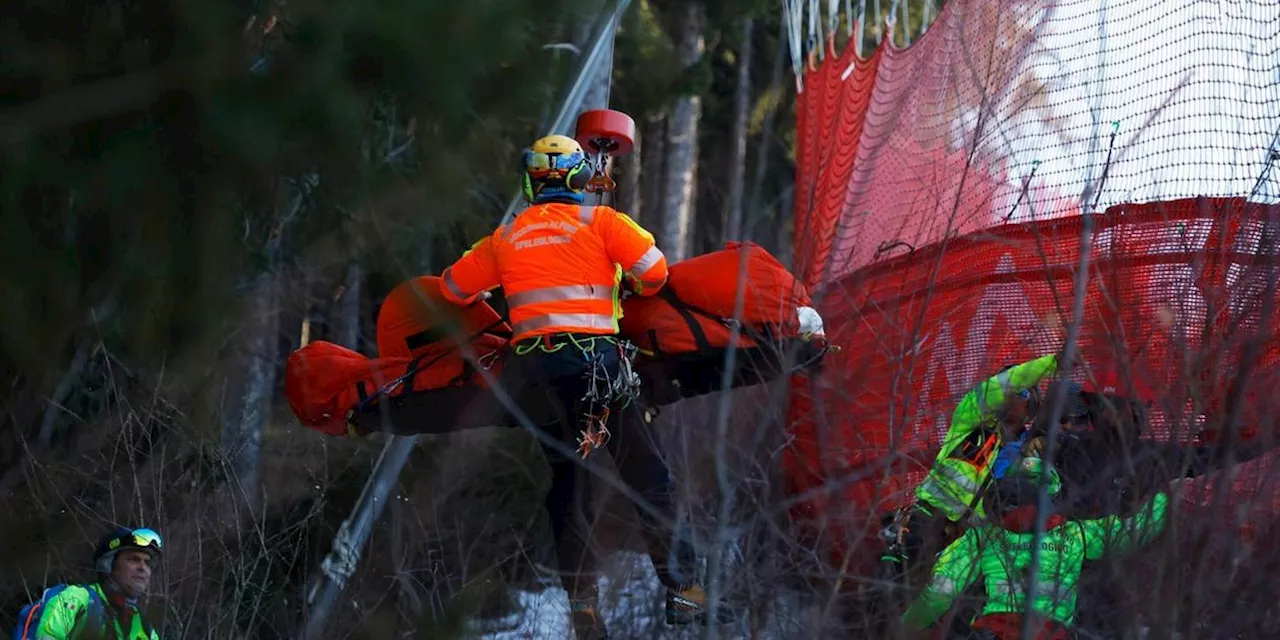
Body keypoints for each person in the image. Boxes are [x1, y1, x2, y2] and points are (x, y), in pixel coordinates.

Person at [439, 134, 724, 638]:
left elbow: (454, 288)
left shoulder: (506, 237)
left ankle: (583, 605)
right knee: (648, 478)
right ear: (577, 178)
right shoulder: (603, 222)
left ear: (531, 180)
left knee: (570, 485)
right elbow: (655, 275)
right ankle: (685, 594)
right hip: (600, 368)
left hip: (537, 379)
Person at [880, 351, 1080, 599]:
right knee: (892, 592)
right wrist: (1052, 363)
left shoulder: (1029, 449)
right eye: (1005, 386)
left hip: (972, 543)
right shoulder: (970, 418)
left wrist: (1034, 458)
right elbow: (1001, 386)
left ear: (1031, 407)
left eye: (1020, 392)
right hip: (930, 519)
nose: (1007, 395)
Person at [900, 457, 1169, 640]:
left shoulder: (983, 538)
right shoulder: (1075, 534)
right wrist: (1164, 498)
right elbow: (1131, 535)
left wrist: (900, 630)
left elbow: (939, 594)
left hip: (995, 633)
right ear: (1053, 494)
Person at [26, 526, 163, 639]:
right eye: (133, 559)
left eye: (148, 563)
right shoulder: (77, 599)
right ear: (109, 565)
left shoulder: (143, 627)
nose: (143, 568)